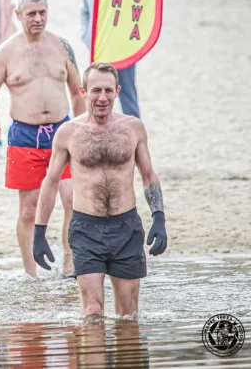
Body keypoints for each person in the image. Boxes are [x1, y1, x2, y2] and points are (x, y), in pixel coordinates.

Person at [33, 62, 168, 318]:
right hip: (86, 229)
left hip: (126, 227)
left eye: (108, 90)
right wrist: (39, 233)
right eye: (96, 91)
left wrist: (159, 218)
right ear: (83, 92)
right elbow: (51, 181)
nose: (102, 98)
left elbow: (148, 175)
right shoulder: (68, 133)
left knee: (128, 315)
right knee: (92, 312)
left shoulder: (133, 128)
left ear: (117, 91)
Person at [0, 0, 86, 278]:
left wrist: (80, 127)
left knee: (71, 199)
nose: (38, 18)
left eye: (42, 12)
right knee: (29, 209)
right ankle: (31, 272)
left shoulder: (62, 46)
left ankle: (70, 261)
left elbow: (78, 92)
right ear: (18, 15)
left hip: (62, 132)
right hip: (24, 137)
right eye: (31, 13)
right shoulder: (6, 52)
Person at [76, 0, 140, 119]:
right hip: (98, 46)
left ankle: (134, 130)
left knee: (127, 90)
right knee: (97, 91)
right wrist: (87, 36)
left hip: (122, 46)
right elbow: (85, 10)